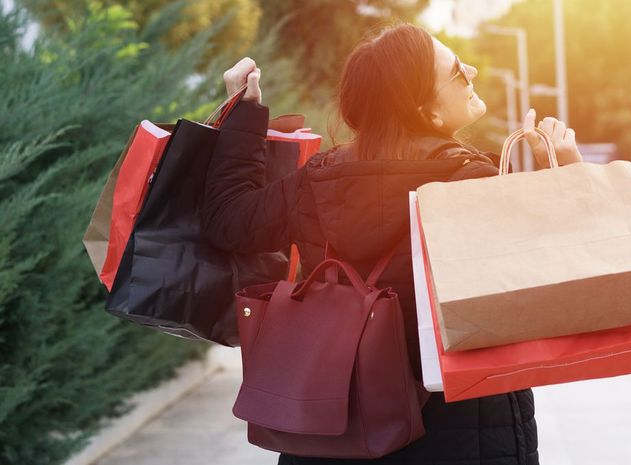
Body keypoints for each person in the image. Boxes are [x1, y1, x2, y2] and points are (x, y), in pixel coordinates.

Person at [202, 22, 582, 465]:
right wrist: (568, 173)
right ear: (428, 111)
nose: (473, 71)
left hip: (329, 429)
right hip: (464, 432)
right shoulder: (470, 182)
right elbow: (560, 277)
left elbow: (228, 220)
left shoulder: (316, 182)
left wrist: (243, 115)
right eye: (459, 71)